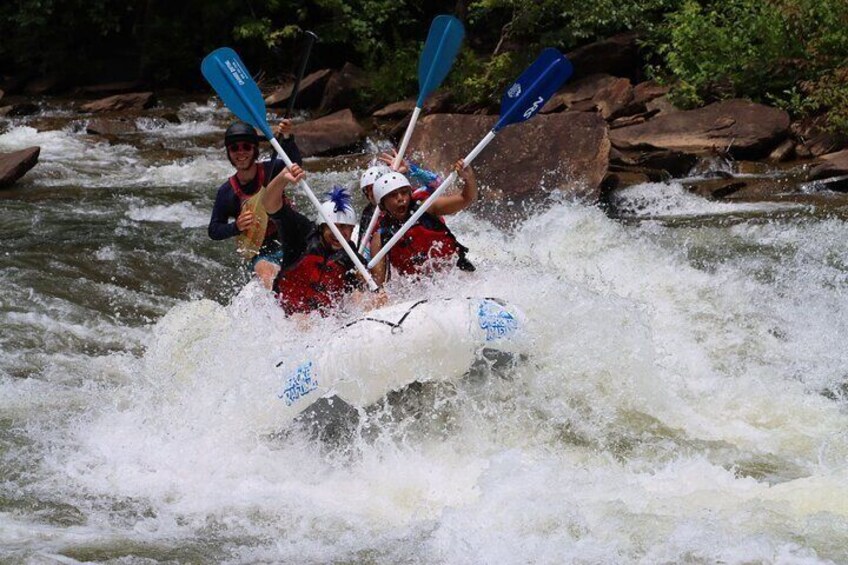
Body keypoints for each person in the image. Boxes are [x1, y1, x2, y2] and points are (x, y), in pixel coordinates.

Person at [207, 119, 305, 289]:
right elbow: (214, 230)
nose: (240, 152)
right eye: (234, 148)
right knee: (266, 274)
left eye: (246, 146)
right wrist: (235, 227)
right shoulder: (227, 192)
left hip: (291, 237)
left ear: (255, 150)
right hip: (263, 250)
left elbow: (294, 163)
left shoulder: (271, 169)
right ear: (228, 153)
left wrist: (287, 137)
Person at [271, 187, 381, 316]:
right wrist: (282, 177)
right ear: (322, 227)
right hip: (281, 313)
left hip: (319, 322)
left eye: (346, 227)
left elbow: (357, 298)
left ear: (352, 231)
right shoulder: (301, 238)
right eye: (335, 226)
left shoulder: (353, 261)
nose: (339, 233)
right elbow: (270, 205)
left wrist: (373, 302)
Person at [369, 160, 477, 282]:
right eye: (393, 195)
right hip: (420, 289)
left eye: (404, 193)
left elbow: (466, 198)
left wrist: (469, 178)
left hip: (457, 274)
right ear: (382, 204)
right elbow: (379, 283)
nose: (400, 199)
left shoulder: (426, 207)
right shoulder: (380, 237)